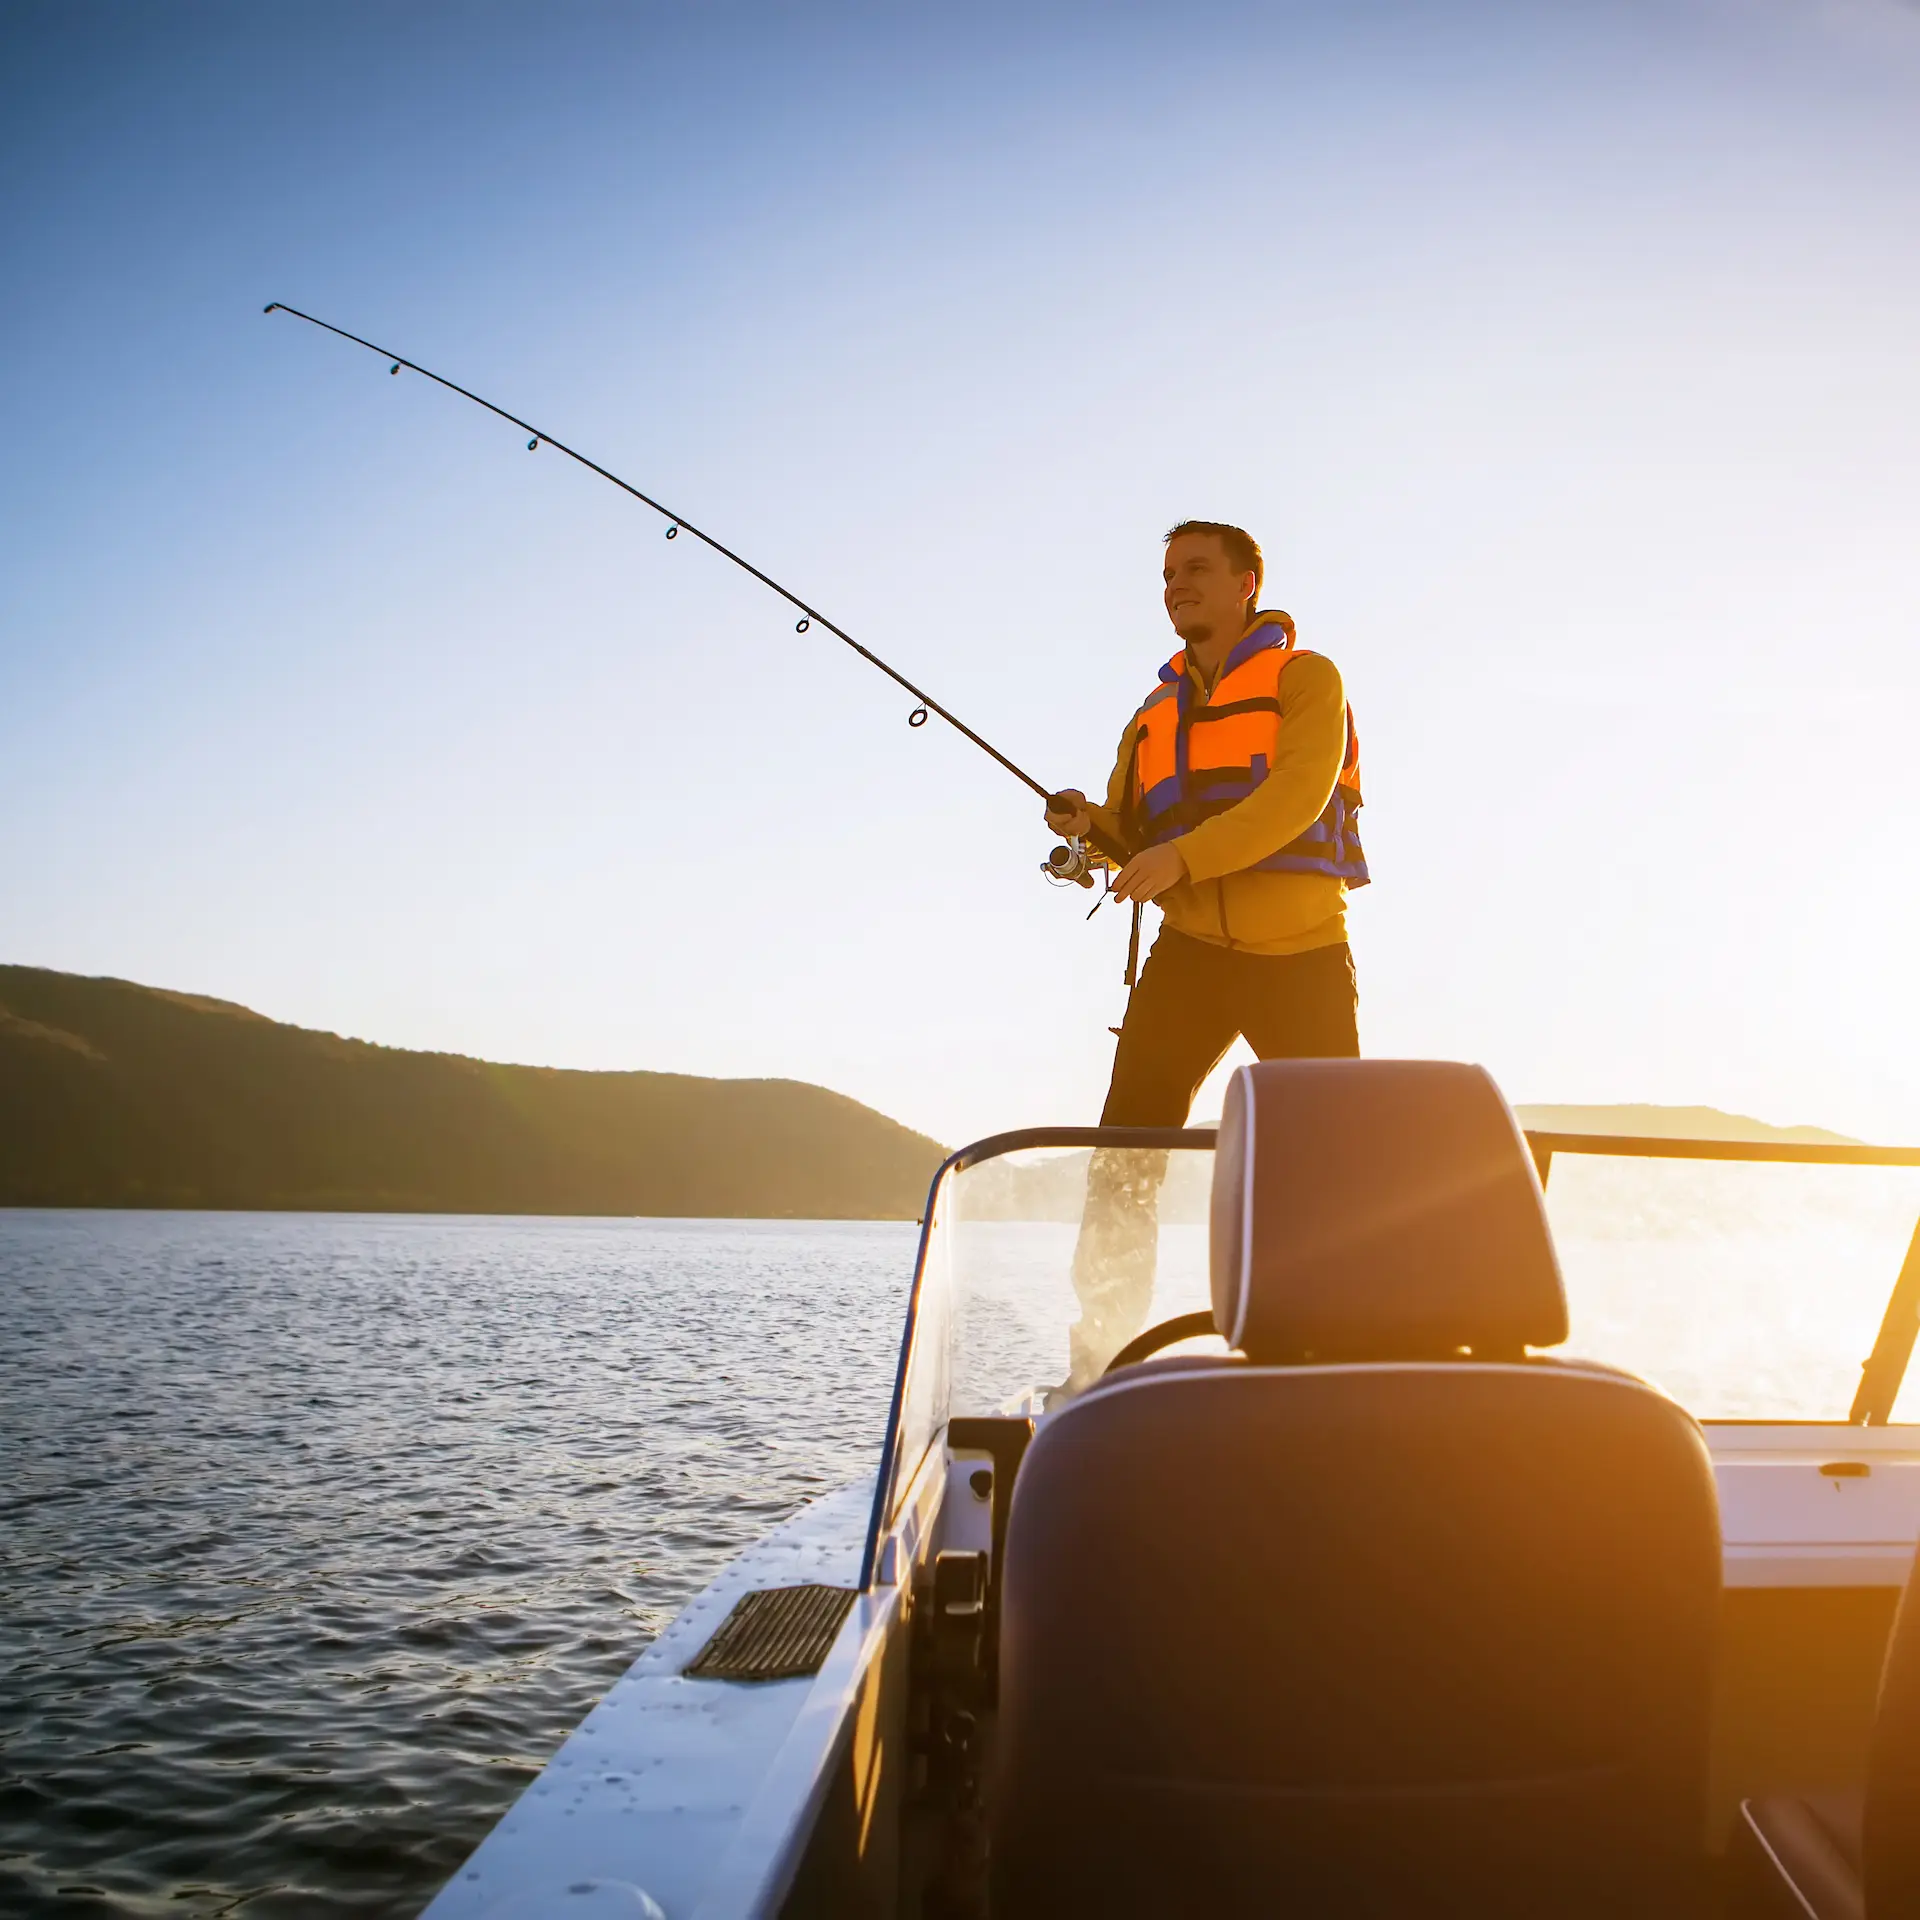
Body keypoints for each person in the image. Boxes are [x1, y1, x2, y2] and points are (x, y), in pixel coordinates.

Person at [1045, 519, 1367, 1387]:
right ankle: (1101, 1357)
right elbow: (1131, 836)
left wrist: (1180, 856)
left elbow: (1297, 799)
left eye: (1194, 569)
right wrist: (1091, 830)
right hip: (1188, 954)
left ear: (1246, 582)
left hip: (1302, 954)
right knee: (1125, 1152)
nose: (1174, 585)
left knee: (1325, 1168)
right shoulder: (1150, 717)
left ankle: (1327, 1353)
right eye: (1166, 574)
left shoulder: (1309, 680)